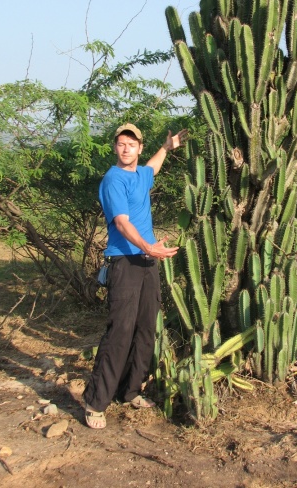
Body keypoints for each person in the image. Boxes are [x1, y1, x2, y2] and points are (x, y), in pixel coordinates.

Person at [83, 122, 187, 429]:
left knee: (145, 329)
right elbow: (122, 222)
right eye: (121, 144)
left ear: (139, 148)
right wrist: (149, 247)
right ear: (115, 148)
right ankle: (95, 402)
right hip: (125, 261)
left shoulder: (141, 175)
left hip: (147, 262)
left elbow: (153, 167)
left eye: (131, 144)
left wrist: (167, 147)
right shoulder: (113, 179)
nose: (126, 149)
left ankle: (129, 391)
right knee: (120, 331)